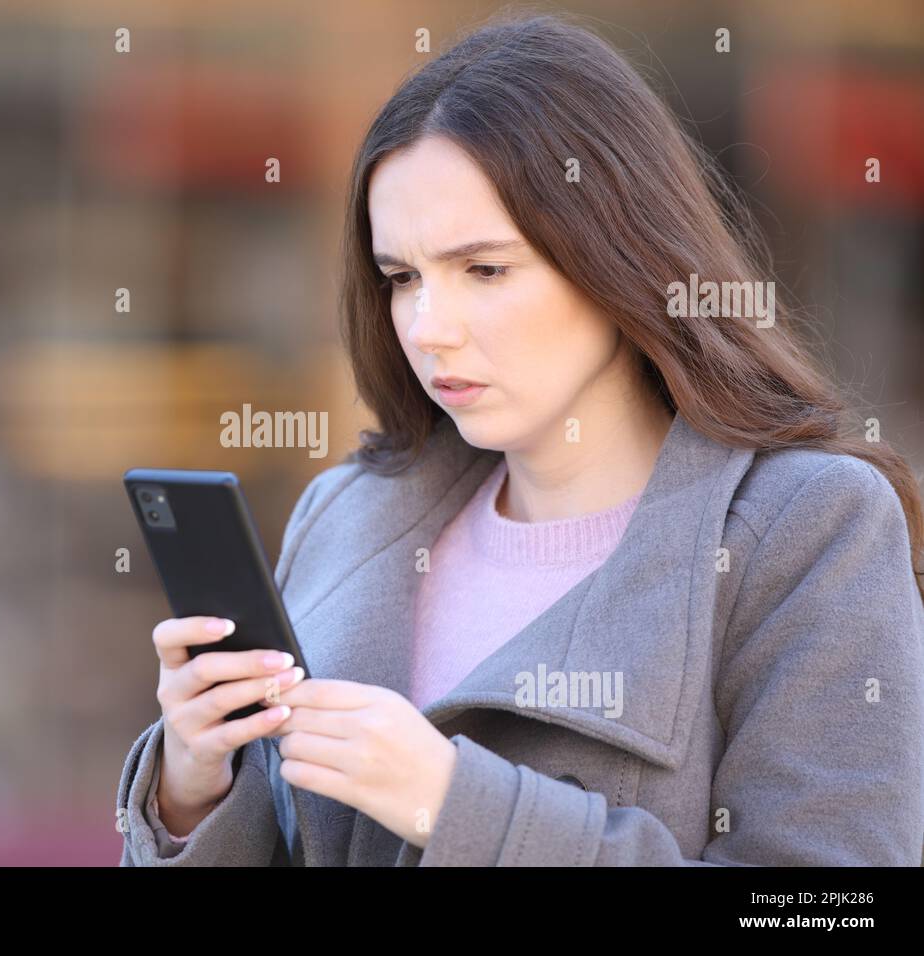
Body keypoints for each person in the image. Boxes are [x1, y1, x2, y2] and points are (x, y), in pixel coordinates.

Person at [115, 12, 924, 866]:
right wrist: (193, 787)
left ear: (619, 253)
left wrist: (458, 807)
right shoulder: (348, 516)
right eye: (402, 277)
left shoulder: (806, 530)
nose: (429, 327)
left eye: (486, 270)